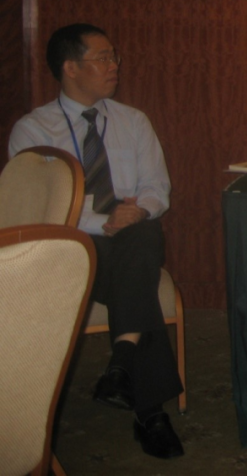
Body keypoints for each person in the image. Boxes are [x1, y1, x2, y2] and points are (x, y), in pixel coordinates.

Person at [8, 24, 184, 459]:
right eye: (103, 58)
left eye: (113, 57)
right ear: (70, 68)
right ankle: (146, 406)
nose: (114, 66)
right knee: (138, 266)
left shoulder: (132, 120)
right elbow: (38, 206)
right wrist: (104, 220)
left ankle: (123, 369)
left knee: (142, 236)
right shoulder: (33, 131)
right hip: (71, 247)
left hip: (131, 237)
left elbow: (156, 188)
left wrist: (137, 211)